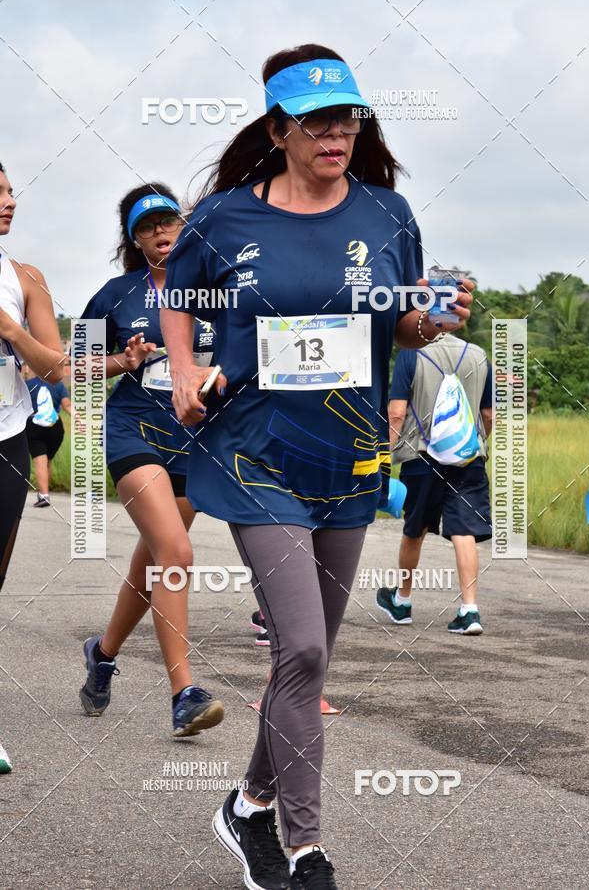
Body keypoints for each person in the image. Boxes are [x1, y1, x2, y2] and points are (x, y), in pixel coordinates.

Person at [161, 44, 473, 890]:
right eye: (318, 121)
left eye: (349, 118)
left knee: (307, 659)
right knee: (299, 643)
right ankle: (304, 850)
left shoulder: (389, 214)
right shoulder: (224, 218)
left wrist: (431, 323)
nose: (337, 134)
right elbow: (175, 294)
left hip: (349, 453)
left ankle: (248, 802)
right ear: (279, 129)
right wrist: (185, 371)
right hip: (256, 452)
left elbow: (402, 327)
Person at [78, 183, 224, 738]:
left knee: (153, 562)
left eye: (168, 222)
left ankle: (104, 652)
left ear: (185, 227)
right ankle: (184, 692)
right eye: (147, 228)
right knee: (176, 552)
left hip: (192, 438)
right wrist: (123, 358)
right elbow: (74, 368)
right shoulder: (115, 295)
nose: (161, 233)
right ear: (135, 240)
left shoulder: (217, 292)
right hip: (131, 432)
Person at [0, 160, 65, 773]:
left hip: (7, 437)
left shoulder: (24, 276)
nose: (9, 201)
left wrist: (10, 330)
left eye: (11, 190)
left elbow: (53, 366)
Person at [377, 332, 493, 634]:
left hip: (421, 456)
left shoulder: (410, 354)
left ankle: (402, 601)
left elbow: (397, 413)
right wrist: (474, 445)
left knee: (415, 529)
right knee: (464, 529)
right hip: (469, 458)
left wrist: (384, 457)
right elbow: (488, 414)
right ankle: (470, 610)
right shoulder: (479, 355)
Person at [24, 366, 71, 507]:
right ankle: (45, 493)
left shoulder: (28, 385)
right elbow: (67, 405)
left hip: (34, 425)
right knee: (47, 461)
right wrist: (79, 418)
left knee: (40, 461)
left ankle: (44, 495)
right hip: (55, 427)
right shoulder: (58, 385)